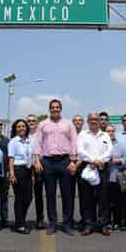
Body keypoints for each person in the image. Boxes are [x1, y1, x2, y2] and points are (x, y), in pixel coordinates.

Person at [34, 99, 78, 235]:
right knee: (50, 194)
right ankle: (52, 223)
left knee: (67, 195)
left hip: (65, 161)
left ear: (61, 109)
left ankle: (67, 224)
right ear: (49, 109)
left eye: (57, 107)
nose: (55, 109)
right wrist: (36, 160)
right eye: (52, 107)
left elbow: (74, 142)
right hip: (48, 162)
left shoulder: (68, 124)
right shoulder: (42, 124)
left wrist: (73, 161)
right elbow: (37, 143)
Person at [77, 112, 113, 236]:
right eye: (91, 119)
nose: (94, 121)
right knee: (87, 198)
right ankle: (89, 224)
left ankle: (103, 224)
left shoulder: (106, 135)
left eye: (96, 119)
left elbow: (109, 151)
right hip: (87, 168)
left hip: (102, 168)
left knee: (103, 198)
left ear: (99, 121)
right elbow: (80, 151)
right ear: (88, 121)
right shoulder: (82, 135)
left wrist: (99, 161)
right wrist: (93, 160)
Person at [8, 119, 34, 234]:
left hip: (28, 171)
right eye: (18, 126)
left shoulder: (29, 141)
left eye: (23, 126)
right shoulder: (13, 141)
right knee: (19, 198)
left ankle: (20, 220)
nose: (21, 128)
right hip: (18, 170)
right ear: (15, 129)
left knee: (28, 197)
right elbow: (11, 158)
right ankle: (19, 224)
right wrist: (12, 173)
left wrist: (32, 174)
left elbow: (32, 158)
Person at [27, 114, 47, 229]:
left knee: (43, 195)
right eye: (29, 121)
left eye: (33, 120)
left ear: (37, 122)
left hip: (43, 166)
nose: (31, 122)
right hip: (29, 168)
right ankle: (22, 219)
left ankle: (41, 219)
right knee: (30, 195)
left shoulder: (42, 135)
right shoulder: (24, 136)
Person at [72, 114, 85, 230]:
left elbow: (86, 151)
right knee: (69, 195)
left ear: (83, 122)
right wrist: (73, 163)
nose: (78, 122)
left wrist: (78, 164)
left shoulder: (86, 135)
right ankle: (69, 219)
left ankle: (84, 219)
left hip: (81, 167)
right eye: (75, 120)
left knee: (83, 195)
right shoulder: (68, 134)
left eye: (80, 120)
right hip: (70, 166)